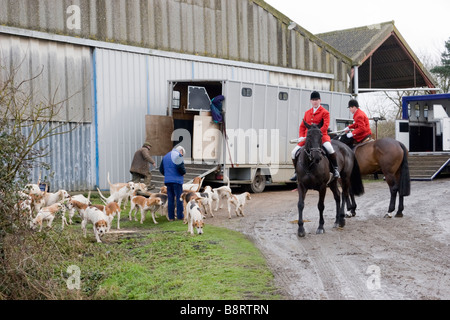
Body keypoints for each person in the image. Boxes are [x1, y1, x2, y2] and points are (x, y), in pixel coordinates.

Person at [291, 91, 340, 181]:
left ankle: (335, 169)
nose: (315, 101)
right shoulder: (307, 113)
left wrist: (316, 135)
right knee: (293, 153)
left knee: (329, 149)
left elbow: (325, 126)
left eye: (316, 100)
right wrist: (301, 136)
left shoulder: (325, 112)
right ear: (310, 101)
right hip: (307, 138)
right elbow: (302, 126)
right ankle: (296, 173)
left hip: (321, 137)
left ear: (320, 100)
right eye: (313, 100)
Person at [159, 146, 186, 221]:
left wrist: (167, 175)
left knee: (170, 198)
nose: (182, 155)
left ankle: (171, 217)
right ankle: (180, 216)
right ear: (181, 151)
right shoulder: (178, 155)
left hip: (168, 181)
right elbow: (180, 166)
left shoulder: (165, 156)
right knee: (179, 198)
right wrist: (183, 173)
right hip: (177, 181)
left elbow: (161, 169)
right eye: (182, 154)